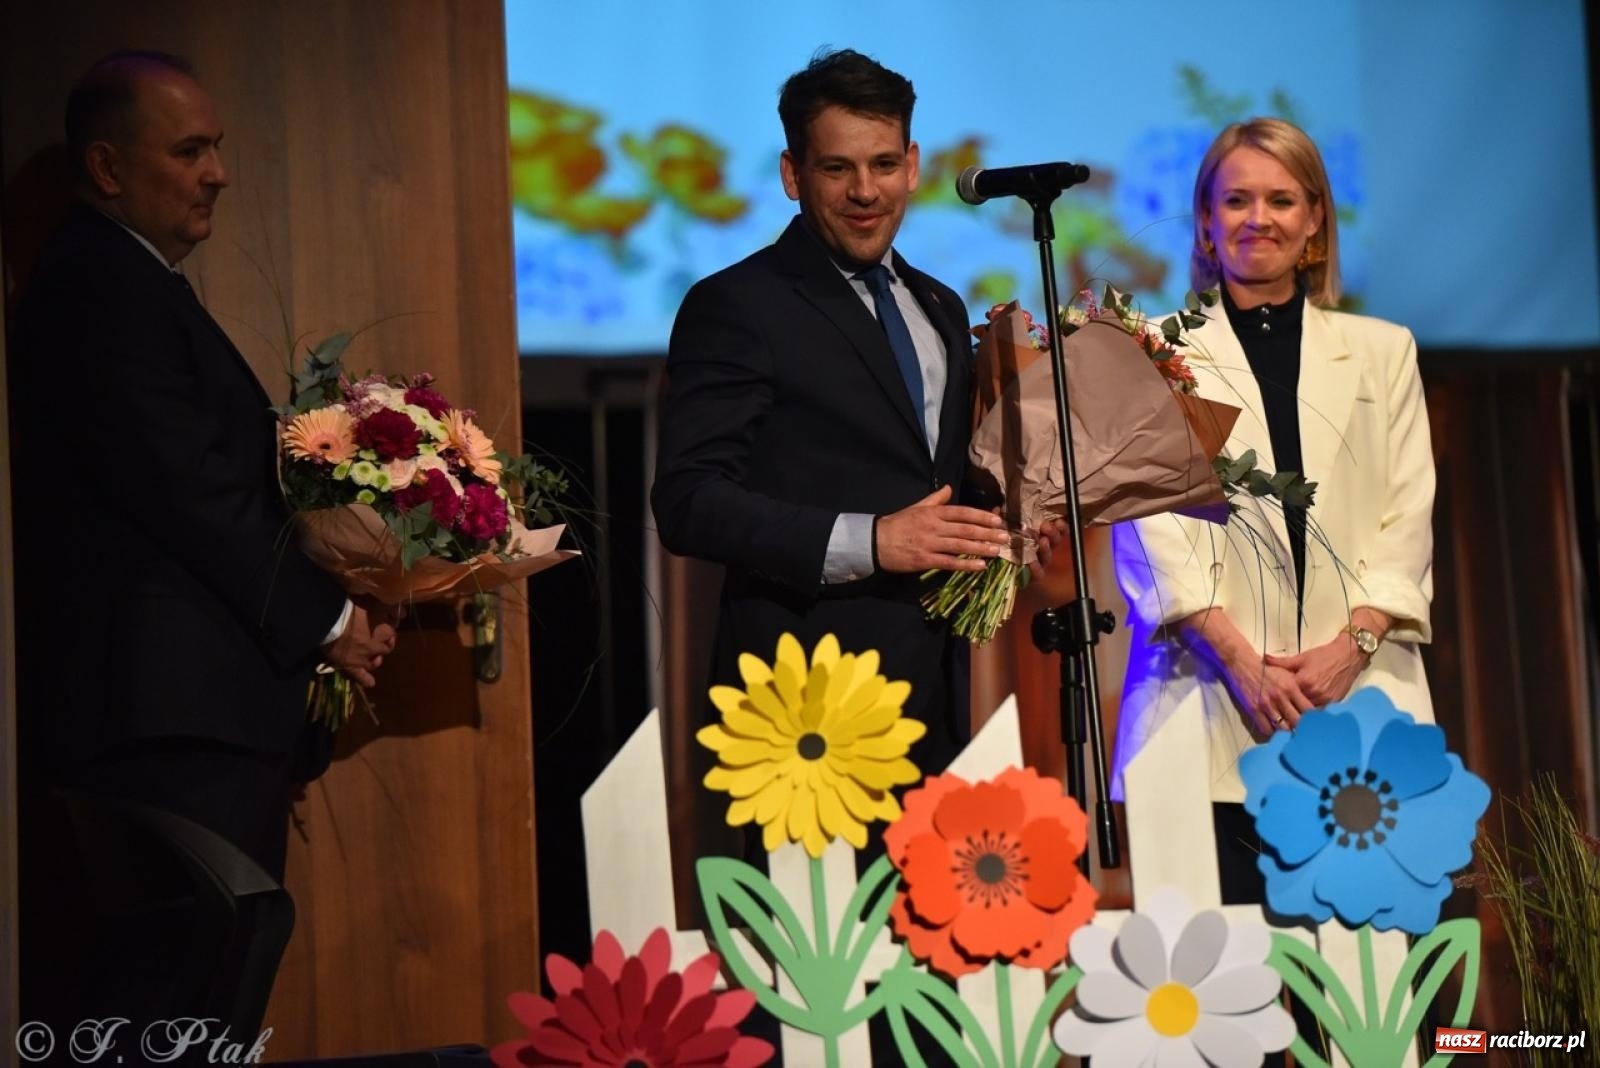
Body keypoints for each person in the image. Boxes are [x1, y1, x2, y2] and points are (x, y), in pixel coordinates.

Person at [9, 50, 395, 1025]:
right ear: (106, 168)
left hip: (179, 720)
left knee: (201, 987)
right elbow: (188, 492)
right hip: (168, 726)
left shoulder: (125, 282)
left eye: (217, 147)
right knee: (181, 992)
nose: (217, 171)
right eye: (189, 150)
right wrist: (330, 618)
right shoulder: (99, 287)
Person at [652, 48, 1029, 771]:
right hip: (801, 718)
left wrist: (1003, 530)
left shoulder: (942, 307)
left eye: (884, 164)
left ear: (913, 165)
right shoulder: (736, 306)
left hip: (933, 711)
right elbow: (688, 501)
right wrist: (869, 540)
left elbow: (935, 483)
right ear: (794, 175)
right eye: (837, 168)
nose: (866, 190)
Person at [1110, 115, 1436, 897]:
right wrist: (1243, 662)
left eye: (1283, 200)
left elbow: (1406, 515)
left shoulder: (1385, 350)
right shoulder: (1152, 350)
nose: (1259, 219)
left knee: (1360, 999)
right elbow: (1149, 525)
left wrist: (1349, 646)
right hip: (1203, 704)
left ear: (1316, 220)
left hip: (1357, 705)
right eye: (1237, 200)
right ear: (1205, 222)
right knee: (1211, 998)